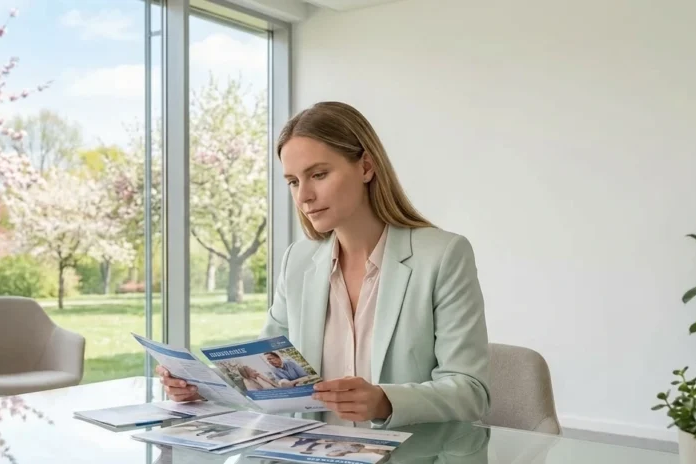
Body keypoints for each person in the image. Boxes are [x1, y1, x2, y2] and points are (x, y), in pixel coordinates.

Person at [158, 100, 490, 431]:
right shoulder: (297, 262)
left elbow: (471, 391)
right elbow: (268, 374)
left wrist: (385, 400)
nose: (304, 197)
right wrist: (200, 386)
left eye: (318, 175)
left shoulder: (443, 255)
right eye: (293, 181)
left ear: (366, 167)